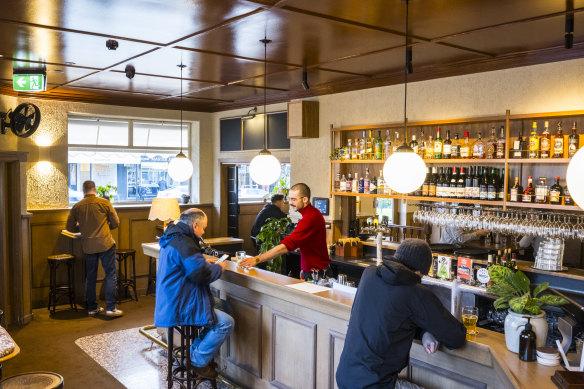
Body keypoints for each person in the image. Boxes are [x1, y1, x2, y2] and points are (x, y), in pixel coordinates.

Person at [336, 239, 467, 388]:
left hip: (345, 378)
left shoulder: (369, 274)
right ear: (418, 272)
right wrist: (427, 328)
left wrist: (424, 332)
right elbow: (456, 337)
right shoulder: (416, 293)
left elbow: (394, 316)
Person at [154, 208, 234, 379]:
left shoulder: (173, 237)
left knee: (224, 305)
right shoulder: (185, 243)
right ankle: (198, 360)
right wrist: (219, 267)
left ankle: (195, 350)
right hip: (181, 304)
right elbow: (201, 275)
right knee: (227, 323)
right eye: (203, 228)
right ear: (195, 225)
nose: (203, 232)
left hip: (173, 298)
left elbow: (189, 265)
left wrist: (203, 261)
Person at [239, 183, 330, 279]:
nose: (290, 203)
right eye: (290, 199)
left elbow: (285, 246)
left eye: (293, 199)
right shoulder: (313, 213)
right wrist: (304, 269)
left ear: (305, 199)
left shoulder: (309, 218)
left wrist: (257, 259)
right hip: (313, 270)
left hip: (317, 273)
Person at [66, 180, 123, 317]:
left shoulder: (77, 206)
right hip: (105, 243)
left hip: (88, 246)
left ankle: (92, 308)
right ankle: (110, 308)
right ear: (95, 189)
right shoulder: (104, 203)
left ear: (83, 190)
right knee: (110, 274)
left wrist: (84, 228)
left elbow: (70, 227)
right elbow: (116, 223)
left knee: (90, 277)